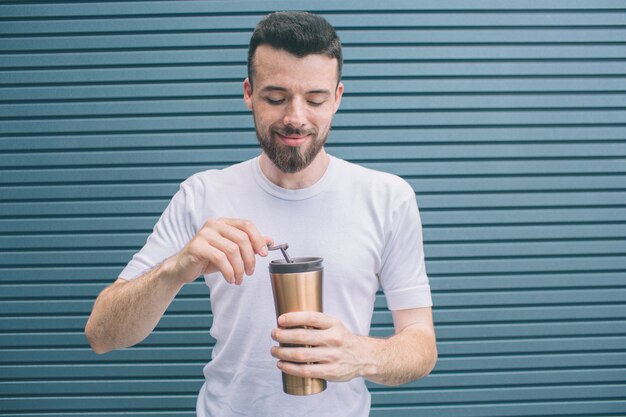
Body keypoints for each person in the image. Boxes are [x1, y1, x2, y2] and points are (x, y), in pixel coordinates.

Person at [85, 11, 437, 417]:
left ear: (338, 97)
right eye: (275, 97)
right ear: (248, 92)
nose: (296, 117)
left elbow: (421, 345)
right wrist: (176, 268)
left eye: (315, 99)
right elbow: (101, 334)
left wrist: (362, 355)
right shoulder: (202, 194)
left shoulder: (388, 198)